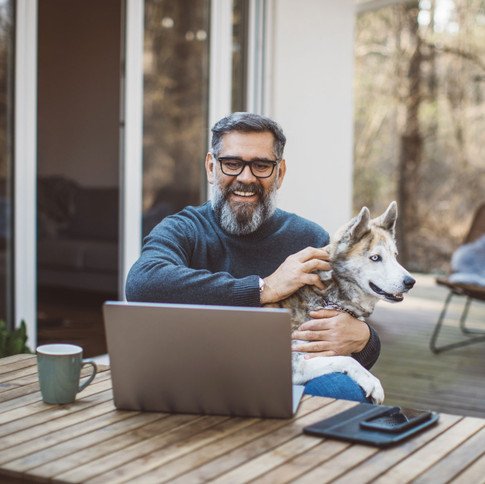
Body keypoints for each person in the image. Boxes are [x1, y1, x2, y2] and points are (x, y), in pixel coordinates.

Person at [126, 112, 380, 403]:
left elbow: (342, 330)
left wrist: (364, 339)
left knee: (344, 392)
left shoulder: (310, 240)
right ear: (211, 168)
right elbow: (142, 283)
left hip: (282, 376)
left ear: (279, 173)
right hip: (196, 372)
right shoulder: (183, 229)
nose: (246, 178)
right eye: (232, 163)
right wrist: (265, 288)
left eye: (261, 166)